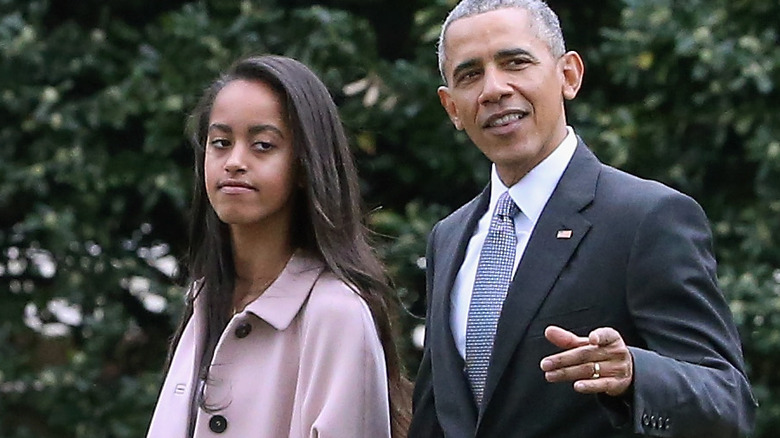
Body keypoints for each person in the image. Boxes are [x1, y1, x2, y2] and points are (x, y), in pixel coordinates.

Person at [408, 1, 757, 437]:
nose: (493, 89)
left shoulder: (645, 218)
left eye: (515, 62)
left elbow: (727, 401)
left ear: (568, 75)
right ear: (452, 108)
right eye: (470, 75)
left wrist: (633, 375)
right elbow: (437, 413)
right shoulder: (449, 236)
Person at [146, 55, 410, 438]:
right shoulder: (205, 296)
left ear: (306, 165)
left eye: (263, 145)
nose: (235, 162)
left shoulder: (336, 313)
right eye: (220, 143)